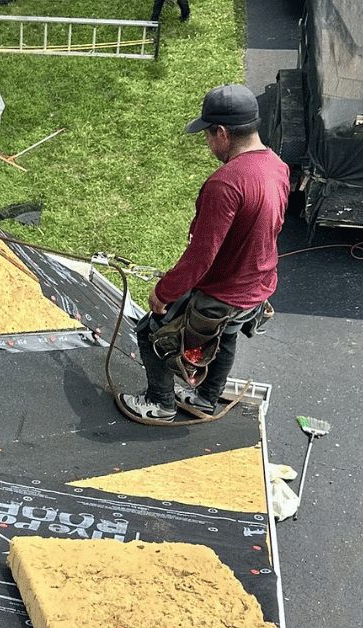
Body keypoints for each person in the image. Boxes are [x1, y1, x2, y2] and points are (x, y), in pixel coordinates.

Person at [117, 84, 289, 423]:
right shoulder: (277, 166)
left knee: (154, 332)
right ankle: (206, 398)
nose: (208, 143)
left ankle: (160, 403)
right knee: (225, 334)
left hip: (224, 292)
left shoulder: (226, 183)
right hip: (257, 288)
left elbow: (201, 255)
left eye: (208, 135)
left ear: (222, 133)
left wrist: (164, 292)